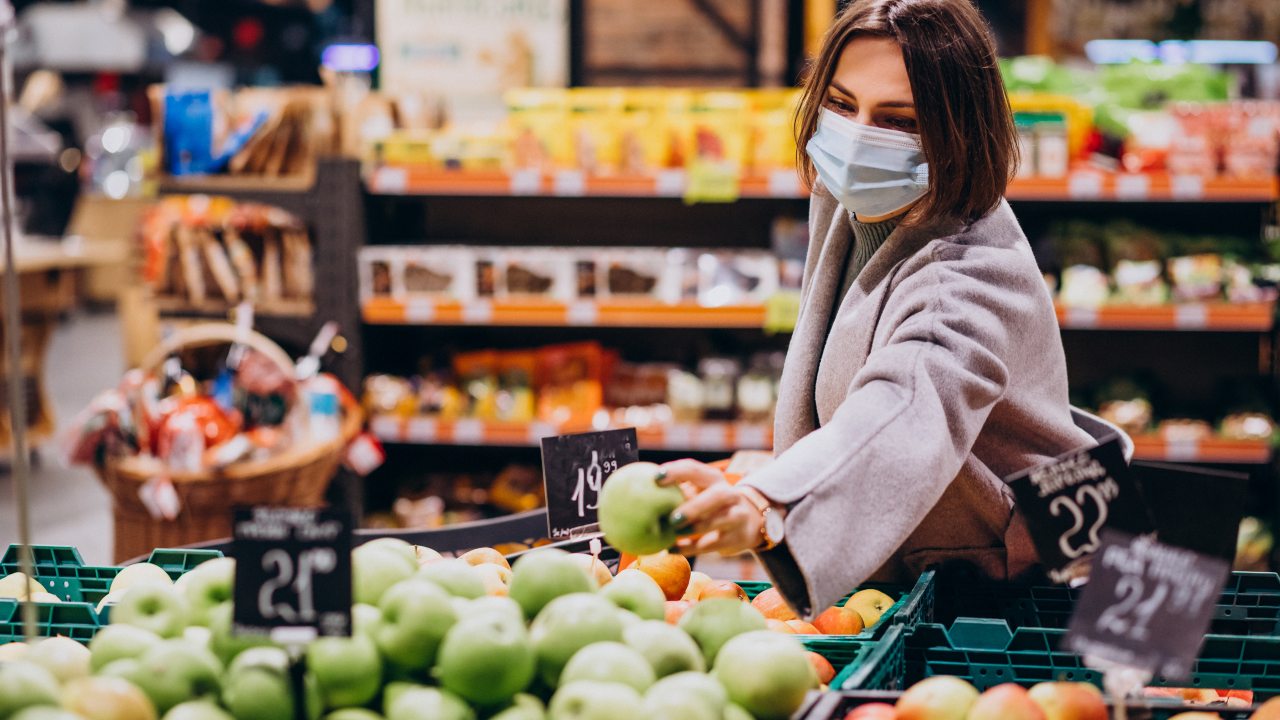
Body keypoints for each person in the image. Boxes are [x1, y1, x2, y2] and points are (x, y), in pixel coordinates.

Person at [660, 0, 1115, 618]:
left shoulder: (967, 273)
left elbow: (908, 403)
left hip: (1014, 587)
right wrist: (785, 463)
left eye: (898, 120)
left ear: (959, 131)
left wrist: (774, 503)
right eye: (842, 105)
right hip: (922, 565)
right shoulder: (852, 203)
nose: (856, 137)